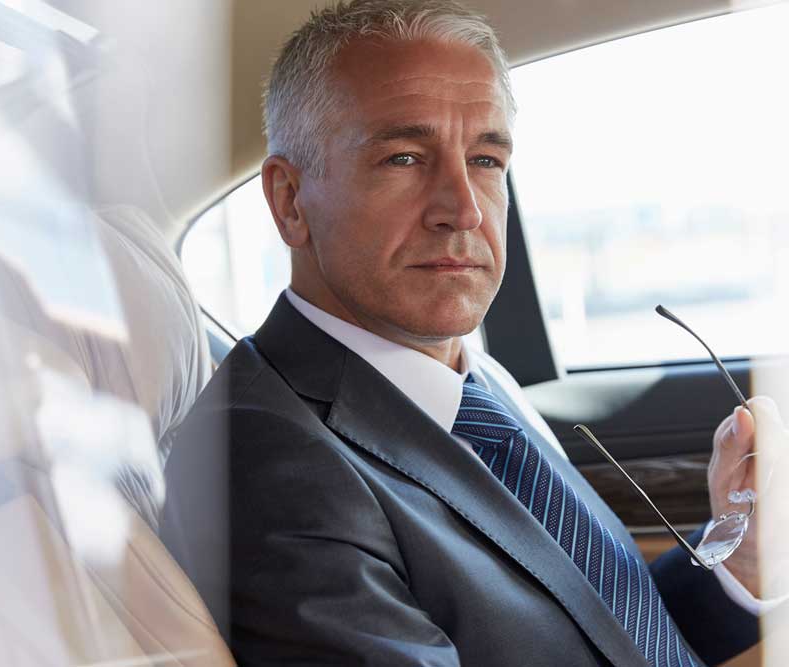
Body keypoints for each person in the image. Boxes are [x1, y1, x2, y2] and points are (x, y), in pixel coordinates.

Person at [160, 1, 767, 665]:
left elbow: (606, 633)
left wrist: (744, 563)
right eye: (403, 158)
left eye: (484, 158)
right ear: (290, 201)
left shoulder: (474, 384)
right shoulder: (267, 464)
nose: (464, 208)